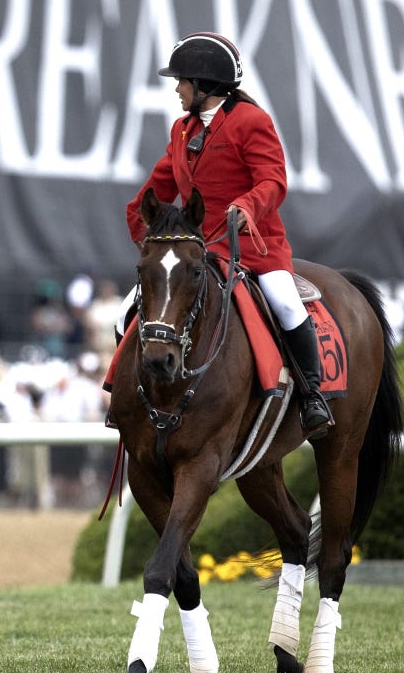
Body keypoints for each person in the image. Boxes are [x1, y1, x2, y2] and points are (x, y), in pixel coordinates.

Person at [118, 32, 332, 437]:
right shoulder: (181, 130)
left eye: (182, 82)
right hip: (195, 253)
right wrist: (142, 229)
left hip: (252, 247)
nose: (177, 90)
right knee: (127, 311)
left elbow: (273, 181)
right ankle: (128, 398)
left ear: (204, 85)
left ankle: (312, 396)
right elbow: (158, 188)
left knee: (286, 305)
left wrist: (247, 206)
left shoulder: (252, 122)